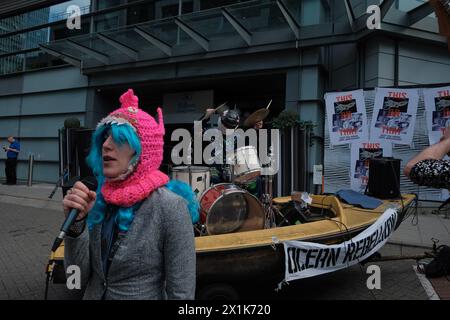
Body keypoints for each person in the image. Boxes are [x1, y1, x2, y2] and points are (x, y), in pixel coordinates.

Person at [62, 89, 198, 300]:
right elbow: (75, 284)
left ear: (142, 151)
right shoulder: (97, 199)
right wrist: (75, 228)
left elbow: (182, 292)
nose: (106, 145)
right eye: (105, 138)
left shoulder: (170, 208)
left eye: (119, 139)